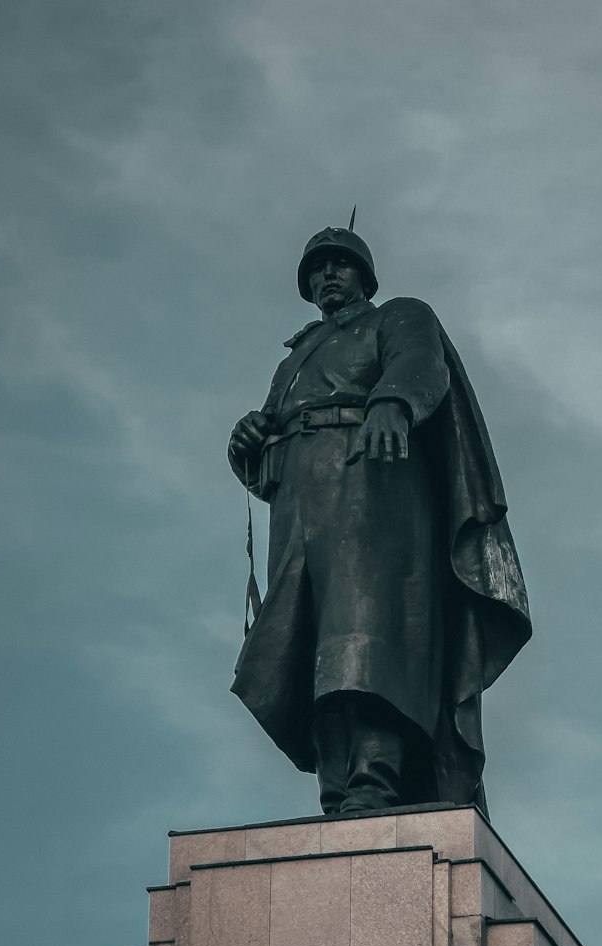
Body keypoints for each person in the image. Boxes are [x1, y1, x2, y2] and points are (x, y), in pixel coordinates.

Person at [227, 222, 530, 815]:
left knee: (366, 639)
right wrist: (248, 443)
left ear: (364, 274)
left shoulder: (397, 315)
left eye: (339, 264)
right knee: (307, 645)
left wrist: (392, 402)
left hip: (375, 483)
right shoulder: (295, 359)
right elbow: (266, 456)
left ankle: (375, 778)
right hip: (299, 507)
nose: (328, 275)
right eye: (317, 269)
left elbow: (421, 365)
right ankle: (336, 789)